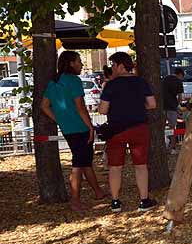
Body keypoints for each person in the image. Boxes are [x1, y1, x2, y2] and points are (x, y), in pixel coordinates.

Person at [40, 51, 106, 212]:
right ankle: (75, 201)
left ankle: (98, 192)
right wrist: (90, 126)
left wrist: (60, 119)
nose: (81, 65)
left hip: (68, 129)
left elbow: (44, 106)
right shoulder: (73, 80)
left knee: (84, 161)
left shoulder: (54, 82)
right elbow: (80, 106)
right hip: (80, 127)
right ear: (71, 63)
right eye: (79, 61)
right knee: (78, 164)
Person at [98, 52, 158, 212]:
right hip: (139, 128)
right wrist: (137, 107)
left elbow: (103, 110)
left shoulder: (111, 85)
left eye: (113, 65)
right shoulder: (141, 82)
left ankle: (115, 202)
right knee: (140, 165)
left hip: (116, 130)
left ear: (120, 65)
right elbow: (152, 104)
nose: (111, 68)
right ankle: (144, 200)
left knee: (115, 166)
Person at [162, 67, 184, 154]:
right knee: (173, 128)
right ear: (180, 75)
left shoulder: (165, 78)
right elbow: (180, 97)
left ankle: (162, 146)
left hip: (162, 106)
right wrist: (177, 105)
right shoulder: (179, 82)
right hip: (172, 107)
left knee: (161, 127)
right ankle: (172, 148)